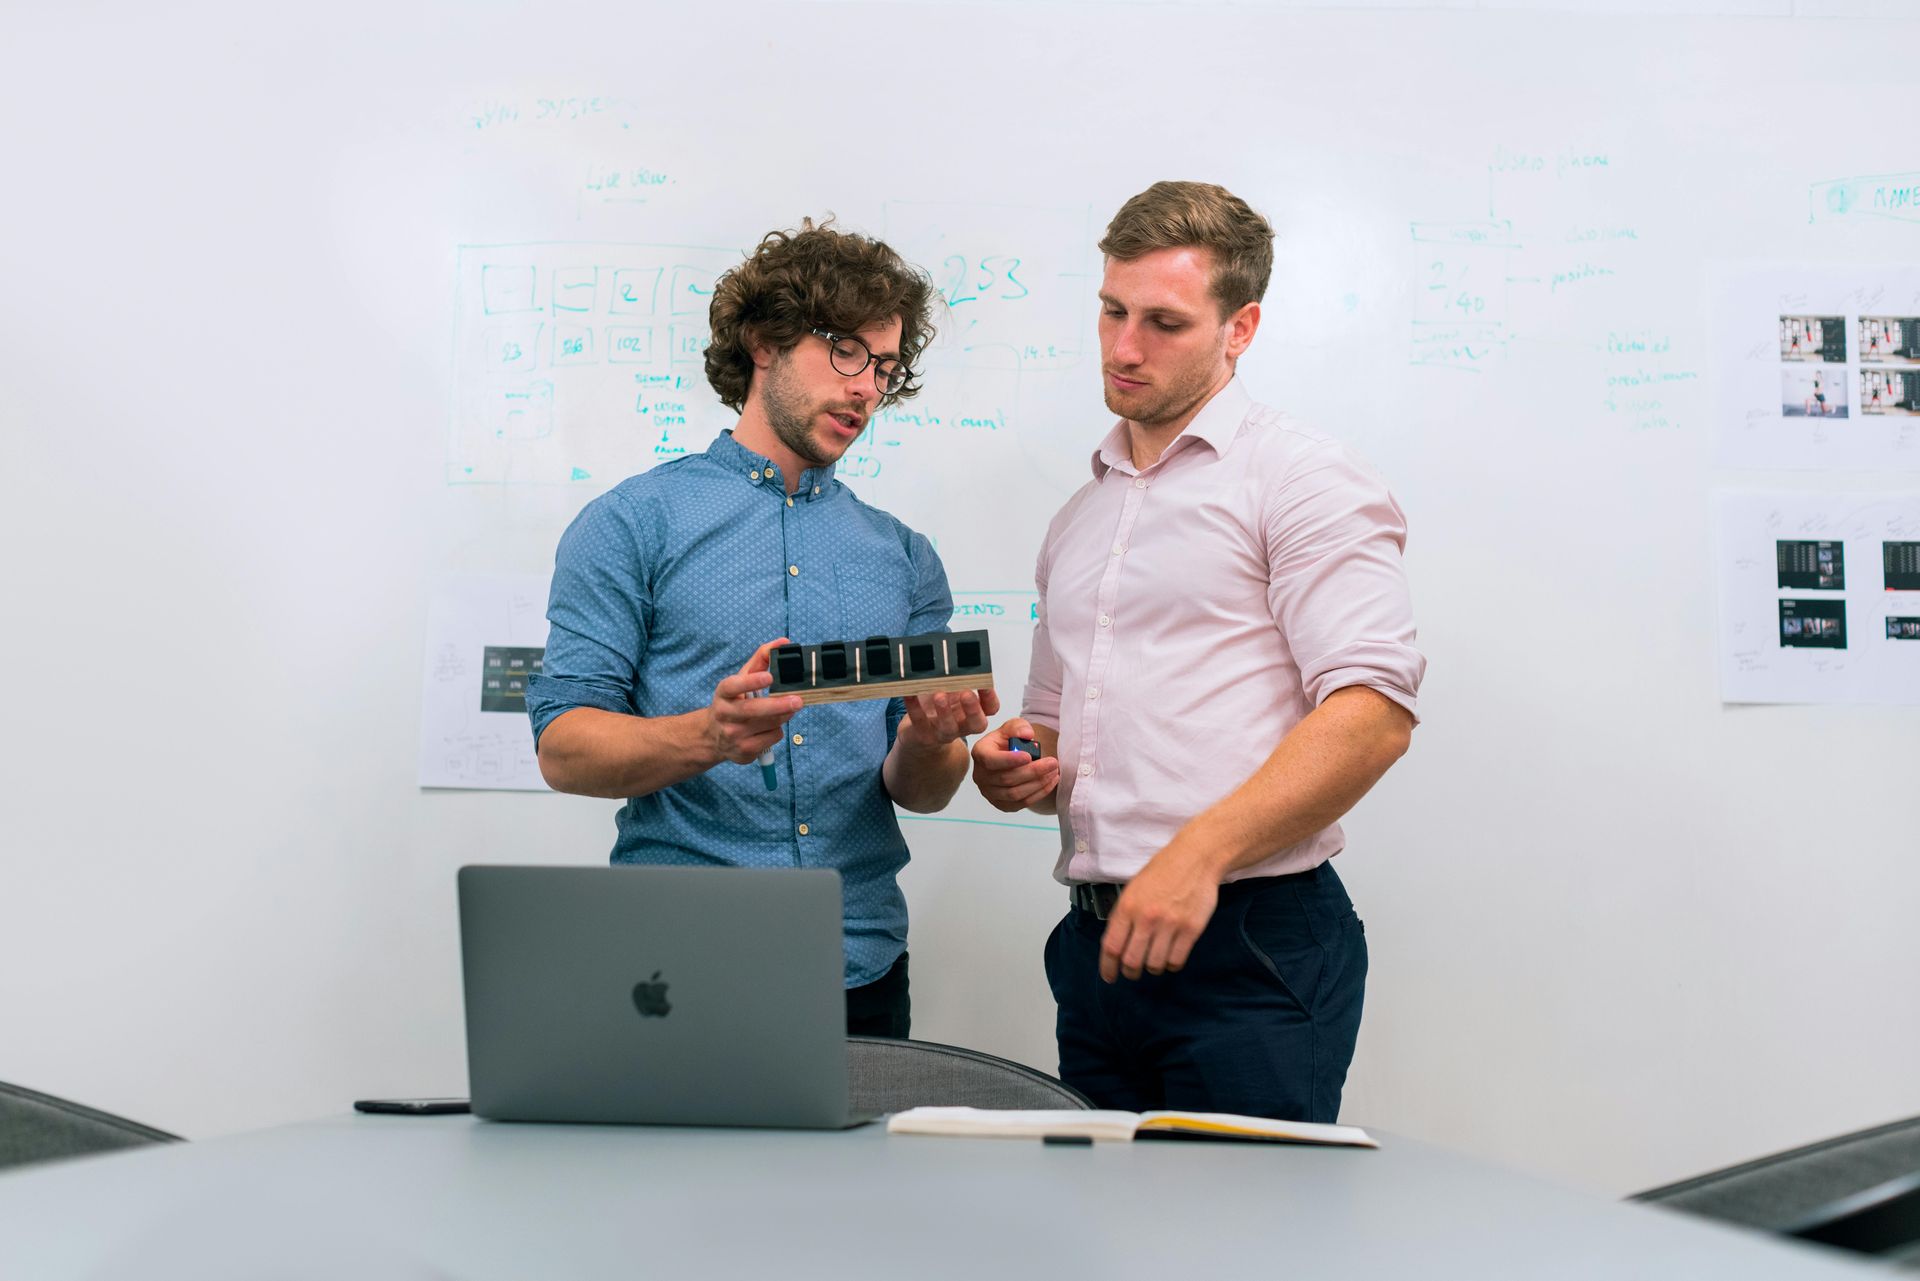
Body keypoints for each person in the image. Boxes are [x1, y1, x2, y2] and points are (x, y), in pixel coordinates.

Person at [971, 181, 1425, 1122]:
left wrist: (1197, 856)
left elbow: (1373, 714)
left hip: (1250, 946)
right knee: (1107, 1250)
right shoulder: (1080, 515)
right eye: (1111, 310)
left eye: (1164, 322)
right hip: (1096, 950)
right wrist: (1016, 758)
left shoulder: (1302, 480)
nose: (1124, 346)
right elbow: (1052, 729)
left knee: (1242, 1249)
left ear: (1240, 327)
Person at [527, 219, 995, 1038]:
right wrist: (709, 735)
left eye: (884, 367)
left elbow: (920, 789)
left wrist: (932, 740)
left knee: (857, 1174)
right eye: (846, 350)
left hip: (862, 967)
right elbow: (564, 746)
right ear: (764, 341)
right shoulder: (631, 524)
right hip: (675, 966)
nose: (866, 388)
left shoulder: (905, 557)